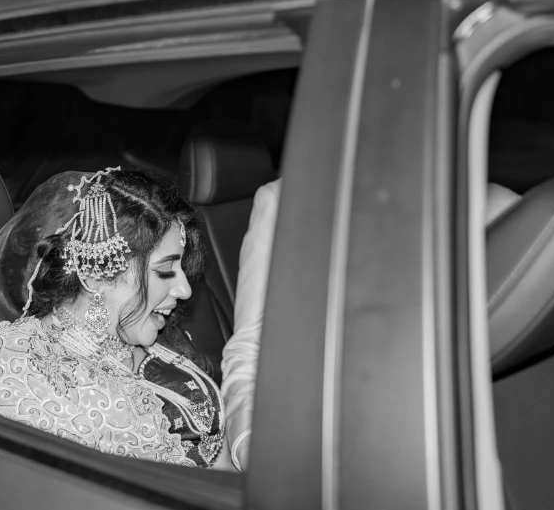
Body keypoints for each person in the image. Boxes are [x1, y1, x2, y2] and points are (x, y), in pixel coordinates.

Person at [221, 178, 522, 470]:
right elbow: (249, 350)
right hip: (335, 440)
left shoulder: (494, 207)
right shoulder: (285, 203)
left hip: (470, 433)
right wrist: (252, 446)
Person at [0, 167, 226, 468]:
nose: (185, 289)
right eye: (165, 271)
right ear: (96, 275)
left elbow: (221, 454)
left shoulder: (156, 333)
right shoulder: (20, 364)